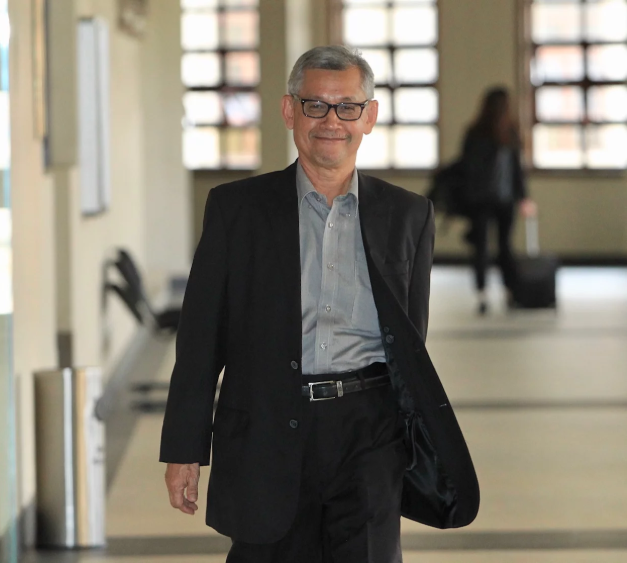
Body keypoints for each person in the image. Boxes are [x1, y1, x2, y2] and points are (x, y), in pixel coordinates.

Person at [160, 45, 479, 563]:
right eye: (316, 105)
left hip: (369, 432)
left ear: (369, 117)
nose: (332, 121)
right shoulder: (237, 210)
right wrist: (183, 450)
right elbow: (200, 341)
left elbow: (409, 340)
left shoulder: (408, 216)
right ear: (290, 111)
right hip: (267, 425)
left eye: (347, 106)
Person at [460, 86, 536, 315]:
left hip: (479, 200)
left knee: (481, 248)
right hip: (504, 199)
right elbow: (517, 171)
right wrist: (524, 198)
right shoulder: (509, 133)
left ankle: (482, 294)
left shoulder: (474, 132)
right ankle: (510, 292)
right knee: (505, 246)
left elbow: (466, 169)